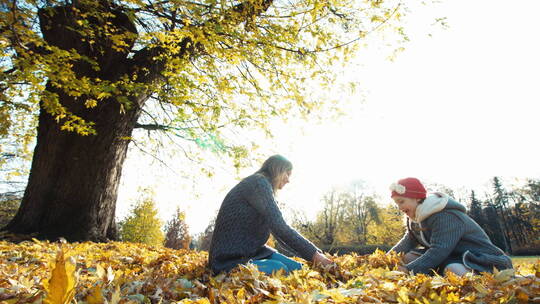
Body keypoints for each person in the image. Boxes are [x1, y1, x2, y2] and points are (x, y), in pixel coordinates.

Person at [208, 154, 333, 275]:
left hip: (254, 253)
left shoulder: (262, 185)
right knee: (281, 269)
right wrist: (314, 255)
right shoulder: (258, 183)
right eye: (287, 174)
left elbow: (278, 227)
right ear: (277, 169)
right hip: (227, 261)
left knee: (298, 269)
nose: (288, 180)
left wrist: (316, 254)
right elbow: (279, 227)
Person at [388, 177, 513, 275]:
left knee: (453, 270)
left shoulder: (444, 216)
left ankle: (490, 280)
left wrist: (407, 270)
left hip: (477, 258)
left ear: (416, 198)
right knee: (405, 257)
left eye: (401, 201)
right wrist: (384, 258)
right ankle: (433, 275)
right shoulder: (414, 218)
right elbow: (408, 242)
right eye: (396, 203)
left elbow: (439, 250)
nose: (399, 207)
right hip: (450, 256)